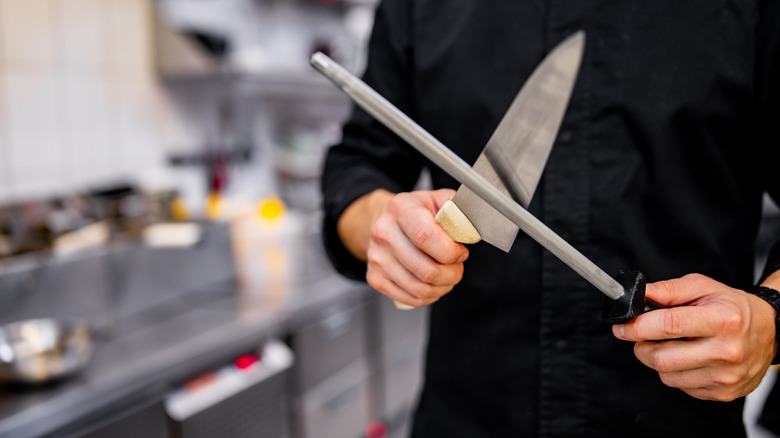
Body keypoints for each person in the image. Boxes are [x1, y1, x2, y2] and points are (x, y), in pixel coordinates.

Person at [320, 1, 780, 436]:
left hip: (676, 421)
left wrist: (770, 320)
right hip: (465, 416)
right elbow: (358, 165)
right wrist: (383, 223)